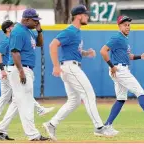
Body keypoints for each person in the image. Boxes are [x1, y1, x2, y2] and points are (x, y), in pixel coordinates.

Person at [42, 5, 115, 141]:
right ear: (78, 16)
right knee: (89, 94)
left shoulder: (77, 32)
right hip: (70, 68)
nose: (87, 17)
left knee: (74, 101)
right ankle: (99, 127)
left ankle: (51, 124)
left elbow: (74, 50)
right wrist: (56, 66)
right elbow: (53, 44)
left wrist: (86, 53)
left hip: (71, 66)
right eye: (85, 15)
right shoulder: (70, 31)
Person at [100, 15, 144, 134]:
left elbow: (129, 56)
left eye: (128, 25)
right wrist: (112, 66)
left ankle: (107, 125)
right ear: (119, 26)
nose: (127, 27)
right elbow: (103, 51)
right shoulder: (117, 37)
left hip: (120, 69)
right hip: (120, 69)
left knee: (121, 99)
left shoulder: (124, 39)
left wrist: (140, 56)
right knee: (140, 92)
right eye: (125, 25)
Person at [0, 9, 50, 141]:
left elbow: (40, 43)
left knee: (18, 102)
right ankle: (33, 135)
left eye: (37, 20)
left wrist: (39, 30)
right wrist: (21, 71)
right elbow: (14, 52)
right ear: (26, 19)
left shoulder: (29, 30)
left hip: (26, 69)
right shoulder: (18, 31)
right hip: (20, 69)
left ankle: (0, 130)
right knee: (27, 103)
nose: (37, 22)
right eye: (34, 20)